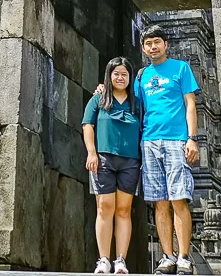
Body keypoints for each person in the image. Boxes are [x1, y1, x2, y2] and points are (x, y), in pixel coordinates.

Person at [136, 26, 200, 275]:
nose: (153, 47)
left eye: (157, 42)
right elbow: (130, 102)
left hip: (176, 140)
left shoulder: (181, 68)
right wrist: (102, 90)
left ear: (165, 45)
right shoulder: (142, 76)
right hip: (149, 141)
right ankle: (167, 256)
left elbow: (190, 104)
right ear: (144, 48)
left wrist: (192, 139)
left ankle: (184, 256)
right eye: (148, 43)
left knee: (179, 199)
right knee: (160, 203)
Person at [82, 56, 141, 275]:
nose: (119, 77)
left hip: (130, 161)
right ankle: (104, 259)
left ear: (130, 78)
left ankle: (121, 260)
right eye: (116, 73)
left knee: (124, 210)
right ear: (108, 75)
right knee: (104, 207)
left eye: (124, 74)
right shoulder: (98, 99)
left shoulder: (137, 102)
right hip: (103, 159)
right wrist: (91, 152)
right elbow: (87, 125)